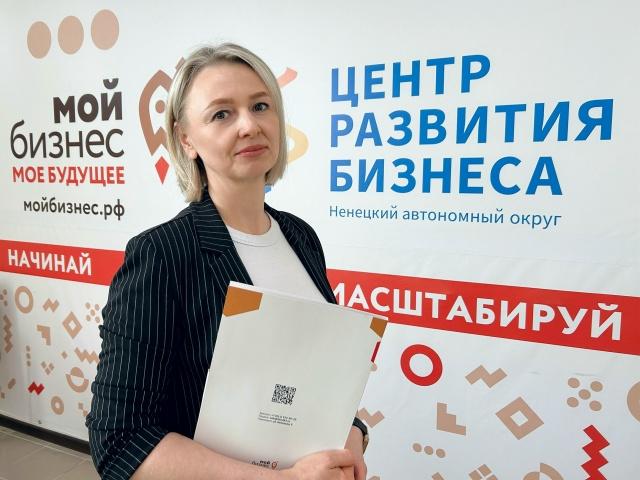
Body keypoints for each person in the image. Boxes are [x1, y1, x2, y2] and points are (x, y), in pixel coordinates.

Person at [86, 43, 368, 480]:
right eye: (221, 114)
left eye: (260, 106)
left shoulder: (301, 237)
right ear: (186, 139)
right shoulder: (163, 254)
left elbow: (314, 379)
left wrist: (351, 432)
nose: (249, 125)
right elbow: (120, 441)